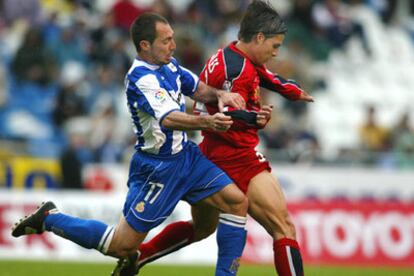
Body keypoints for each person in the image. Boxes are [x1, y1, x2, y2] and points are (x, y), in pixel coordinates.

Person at [11, 12, 249, 276]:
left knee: (234, 204)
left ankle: (151, 259)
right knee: (121, 246)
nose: (173, 45)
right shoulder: (141, 78)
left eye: (172, 39)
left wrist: (220, 94)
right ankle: (50, 218)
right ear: (145, 45)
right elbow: (168, 119)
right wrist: (208, 123)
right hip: (157, 168)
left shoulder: (169, 66)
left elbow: (197, 89)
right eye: (166, 40)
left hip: (187, 158)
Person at [135, 1, 314, 276]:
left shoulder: (232, 55)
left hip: (210, 155)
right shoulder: (236, 70)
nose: (276, 53)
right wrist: (257, 119)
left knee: (203, 228)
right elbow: (228, 114)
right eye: (274, 46)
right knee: (284, 227)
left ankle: (139, 256)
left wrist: (292, 91)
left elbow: (266, 77)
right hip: (236, 157)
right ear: (259, 38)